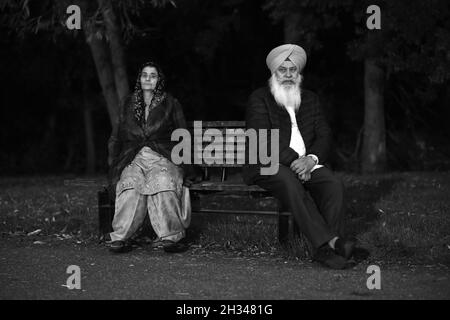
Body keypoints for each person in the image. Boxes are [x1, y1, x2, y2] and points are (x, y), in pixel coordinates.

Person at [242, 44, 356, 269]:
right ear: (274, 73)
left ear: (299, 73)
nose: (287, 75)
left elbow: (325, 134)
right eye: (282, 70)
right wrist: (295, 162)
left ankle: (333, 249)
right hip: (266, 163)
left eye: (292, 70)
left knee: (333, 184)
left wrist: (311, 159)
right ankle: (329, 244)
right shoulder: (260, 98)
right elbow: (263, 140)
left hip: (306, 163)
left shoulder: (311, 99)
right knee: (289, 180)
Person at [107, 61, 194, 254]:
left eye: (153, 75)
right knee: (130, 184)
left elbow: (183, 135)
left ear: (159, 80)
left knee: (162, 182)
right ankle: (121, 237)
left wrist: (187, 166)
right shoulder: (127, 104)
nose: (148, 78)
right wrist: (114, 164)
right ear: (139, 79)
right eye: (144, 74)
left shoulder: (170, 103)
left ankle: (172, 237)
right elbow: (116, 136)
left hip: (163, 156)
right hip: (134, 157)